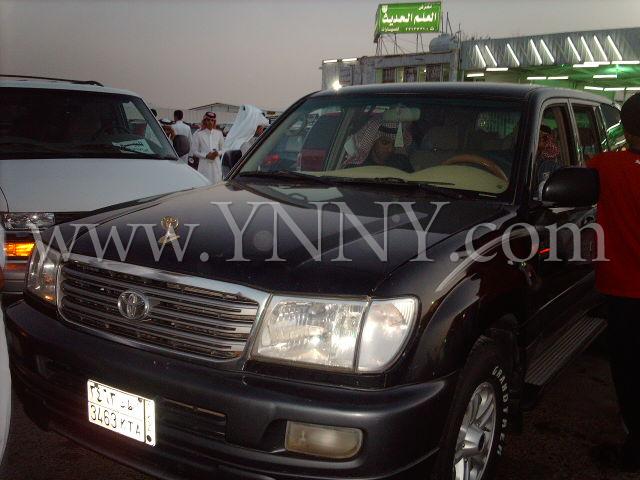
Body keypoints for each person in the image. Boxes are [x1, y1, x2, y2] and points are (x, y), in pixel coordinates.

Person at [589, 93, 640, 472]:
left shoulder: (604, 166)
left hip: (624, 292)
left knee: (629, 371)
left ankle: (634, 449)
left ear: (624, 128)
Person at [343, 116, 413, 172]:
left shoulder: (402, 163)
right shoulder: (355, 169)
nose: (390, 149)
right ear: (373, 140)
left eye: (394, 144)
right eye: (385, 143)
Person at [191, 111, 224, 183]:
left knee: (216, 185)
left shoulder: (219, 133)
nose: (210, 122)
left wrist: (217, 153)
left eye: (212, 120)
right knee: (204, 184)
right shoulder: (198, 134)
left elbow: (223, 149)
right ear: (205, 121)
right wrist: (206, 155)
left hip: (216, 166)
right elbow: (194, 151)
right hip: (204, 166)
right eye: (208, 120)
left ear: (214, 122)